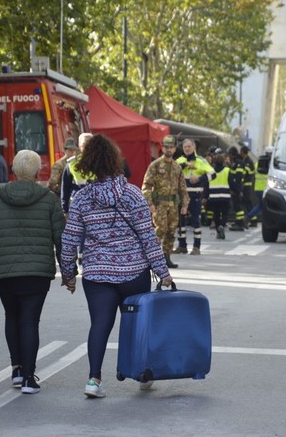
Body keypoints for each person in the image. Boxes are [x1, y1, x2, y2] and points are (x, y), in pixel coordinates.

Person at [60, 134, 174, 398]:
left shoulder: (82, 199)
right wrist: (162, 272)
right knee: (137, 324)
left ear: (87, 163)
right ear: (115, 160)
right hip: (134, 273)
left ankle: (93, 379)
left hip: (97, 275)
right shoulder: (133, 195)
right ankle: (143, 372)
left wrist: (68, 274)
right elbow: (148, 236)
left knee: (99, 324)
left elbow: (70, 240)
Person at [0, 150, 66, 395]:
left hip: (5, 274)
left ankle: (16, 369)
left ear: (13, 171)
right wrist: (69, 272)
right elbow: (60, 240)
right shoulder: (49, 199)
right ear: (37, 172)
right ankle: (28, 378)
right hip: (37, 274)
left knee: (12, 317)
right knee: (30, 321)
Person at [141, 135, 188, 269]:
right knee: (160, 230)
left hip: (173, 205)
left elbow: (182, 187)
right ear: (162, 148)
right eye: (166, 147)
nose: (168, 149)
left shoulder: (177, 167)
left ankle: (166, 257)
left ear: (174, 149)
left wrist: (184, 204)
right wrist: (149, 204)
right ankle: (152, 258)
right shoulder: (155, 165)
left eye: (171, 147)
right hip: (159, 204)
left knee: (171, 231)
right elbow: (146, 185)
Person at [175, 138, 215, 254]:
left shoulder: (201, 161)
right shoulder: (179, 160)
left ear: (194, 147)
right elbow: (172, 172)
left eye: (189, 146)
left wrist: (199, 179)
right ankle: (182, 246)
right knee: (181, 221)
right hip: (181, 195)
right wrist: (185, 164)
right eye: (185, 147)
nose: (187, 149)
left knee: (195, 220)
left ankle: (196, 247)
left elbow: (213, 174)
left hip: (195, 194)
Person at [61, 132, 93, 215]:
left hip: (78, 205)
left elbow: (65, 188)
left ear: (79, 146)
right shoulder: (103, 162)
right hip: (97, 205)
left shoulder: (72, 163)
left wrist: (65, 210)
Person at [207, 149, 231, 239]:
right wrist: (237, 191)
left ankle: (218, 229)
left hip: (213, 196)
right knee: (224, 213)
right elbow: (232, 183)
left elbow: (206, 183)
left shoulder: (210, 171)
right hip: (225, 196)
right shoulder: (227, 171)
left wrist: (205, 196)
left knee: (216, 214)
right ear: (223, 161)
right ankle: (222, 225)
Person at [246, 146, 273, 226]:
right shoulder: (270, 165)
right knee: (264, 206)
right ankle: (248, 218)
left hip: (257, 188)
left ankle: (248, 218)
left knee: (261, 206)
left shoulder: (257, 163)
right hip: (266, 189)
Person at [226, 146, 247, 231]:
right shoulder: (235, 162)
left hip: (237, 188)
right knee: (236, 206)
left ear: (232, 154)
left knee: (238, 206)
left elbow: (238, 177)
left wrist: (236, 190)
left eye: (229, 154)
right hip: (235, 188)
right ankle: (238, 222)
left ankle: (240, 224)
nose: (228, 156)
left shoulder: (239, 163)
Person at [240, 145, 256, 227]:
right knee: (245, 202)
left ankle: (253, 219)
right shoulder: (246, 160)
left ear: (243, 152)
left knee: (248, 202)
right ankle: (249, 219)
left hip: (247, 185)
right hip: (246, 185)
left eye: (240, 151)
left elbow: (245, 173)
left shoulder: (248, 162)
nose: (240, 153)